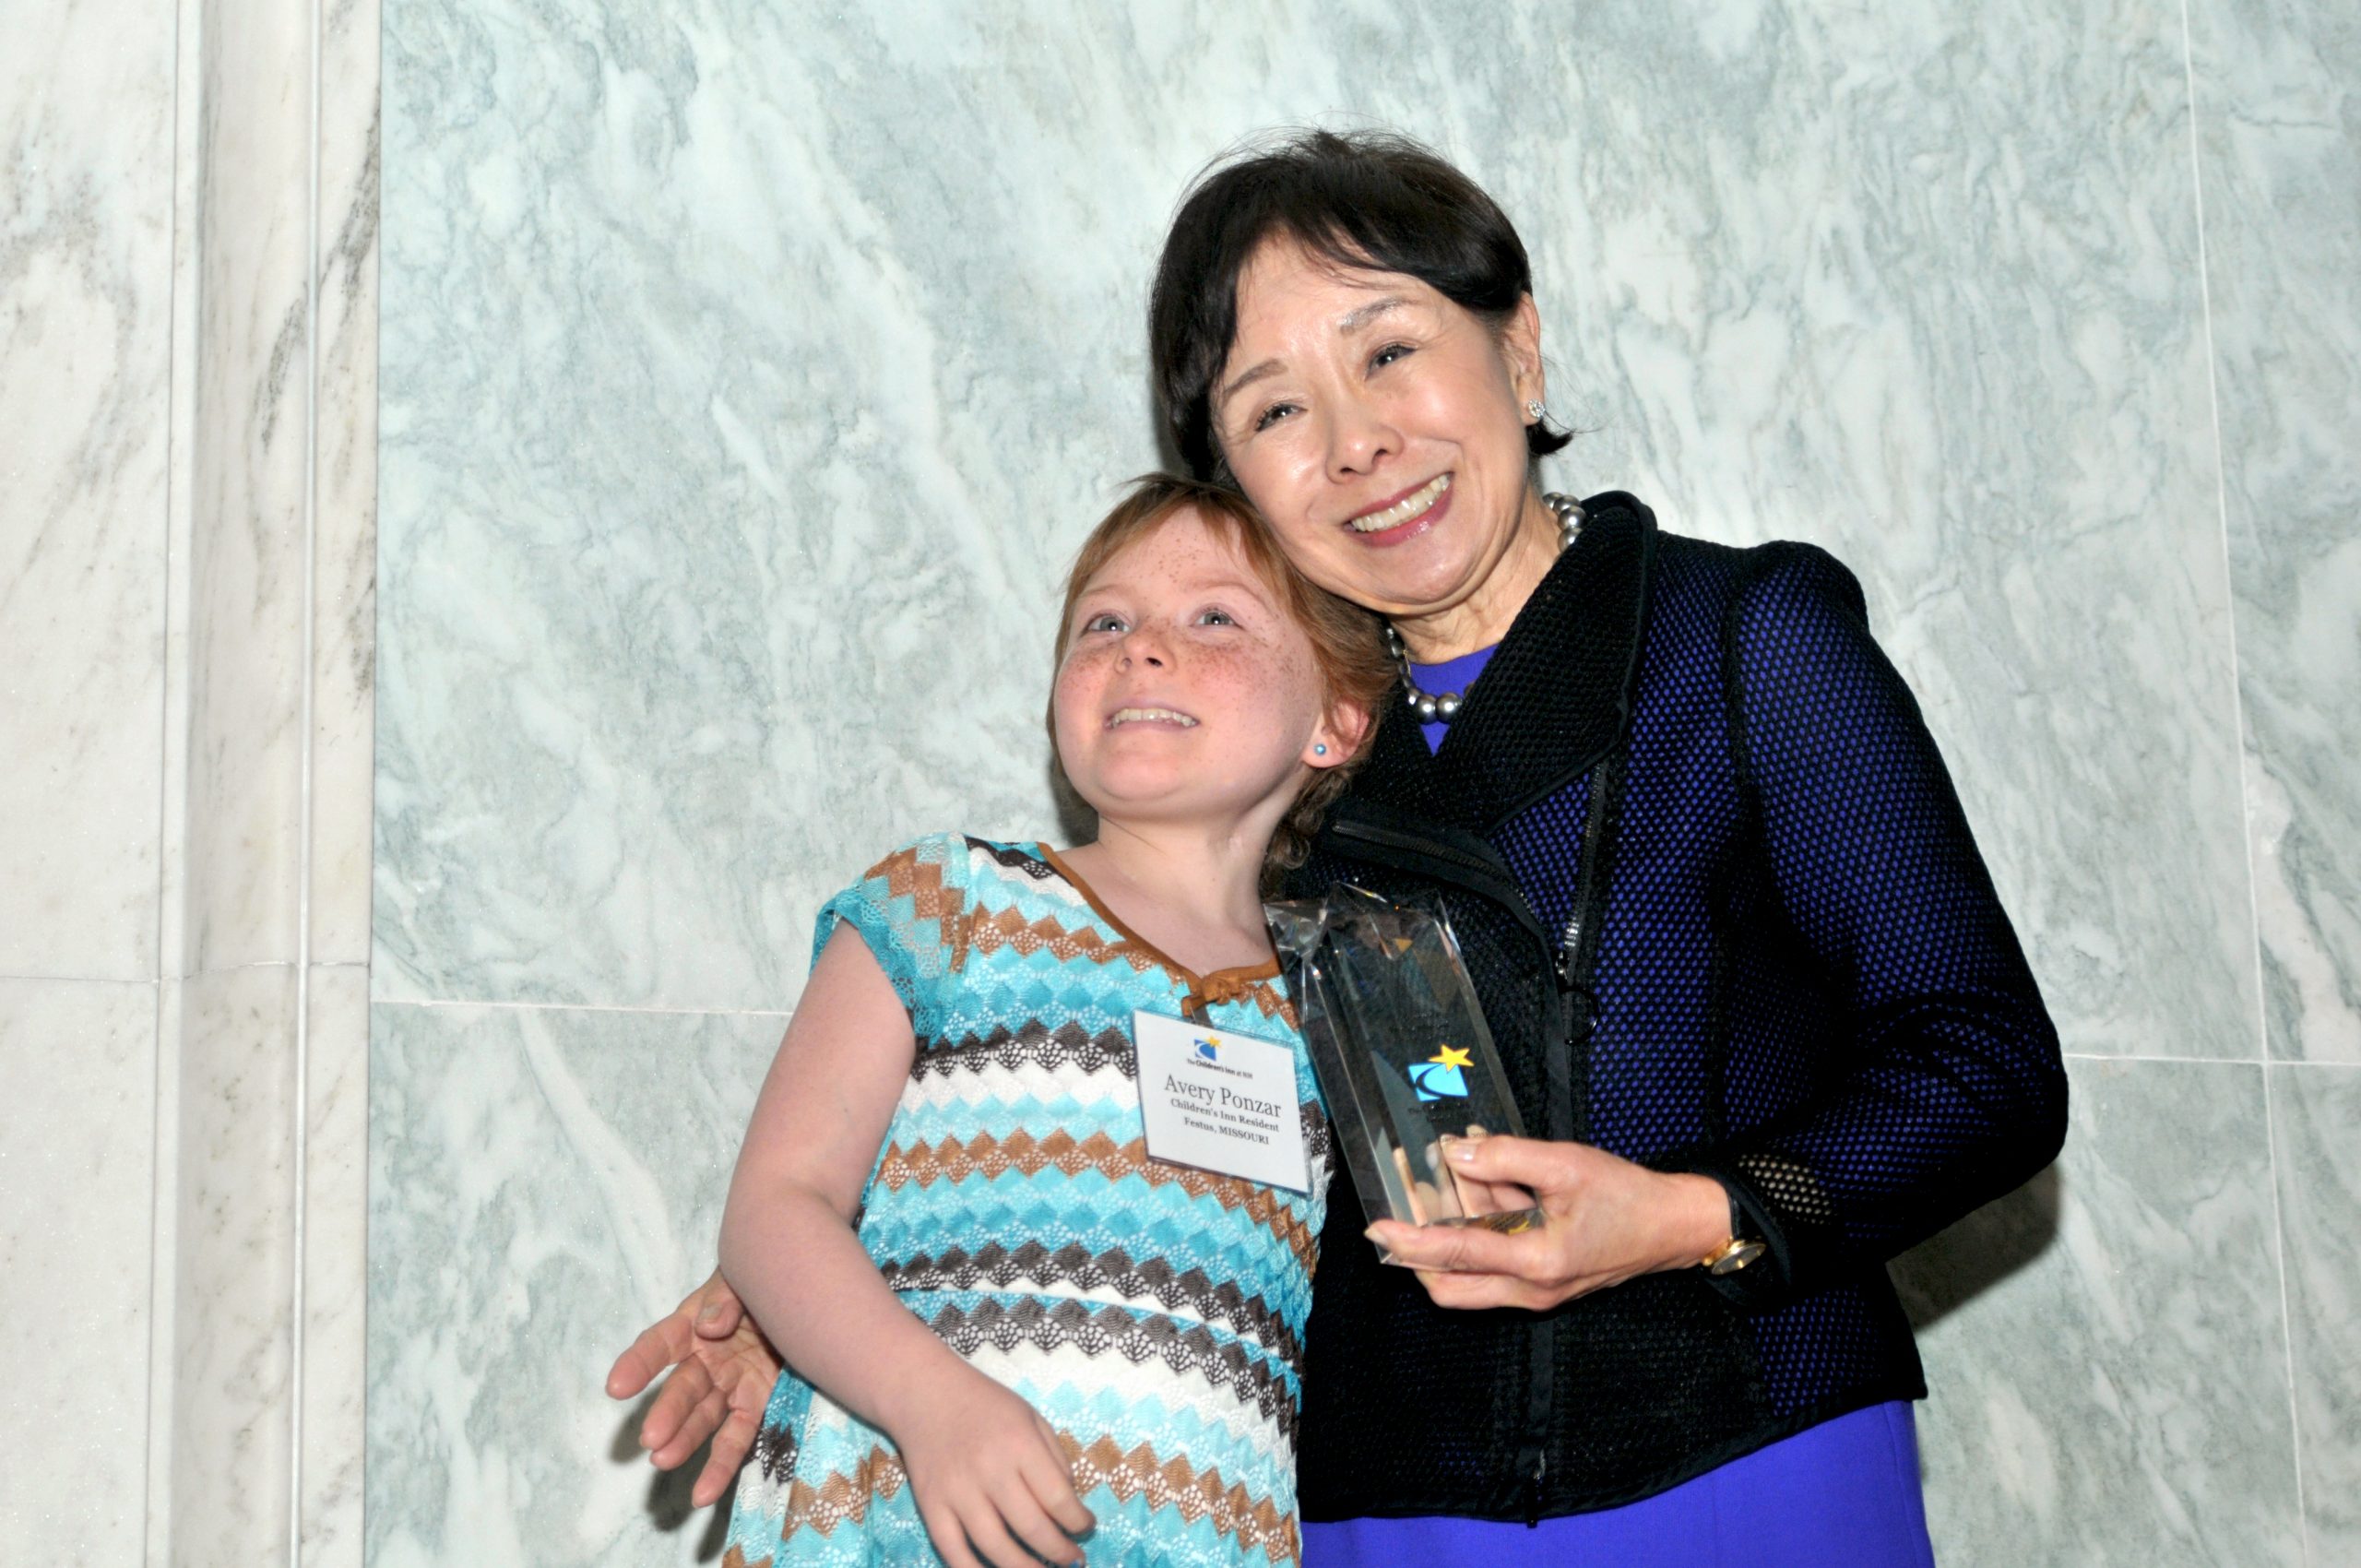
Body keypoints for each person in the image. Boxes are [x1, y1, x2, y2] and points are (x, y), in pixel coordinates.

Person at [611, 129, 2067, 1565]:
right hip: (1368, 1503)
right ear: (1234, 480)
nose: (1357, 443)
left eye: (1388, 353)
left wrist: (1684, 1217)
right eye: (1274, 410)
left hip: (1741, 1446)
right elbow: (1101, 1103)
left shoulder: (1738, 639)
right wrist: (824, 1311)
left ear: (1522, 348)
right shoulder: (1267, 757)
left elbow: (1985, 1068)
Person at [707, 474, 1391, 1568]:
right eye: (1103, 622)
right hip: (898, 1523)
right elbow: (776, 1204)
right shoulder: (951, 902)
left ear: (1336, 721)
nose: (1142, 647)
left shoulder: (1349, 1006)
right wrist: (927, 1401)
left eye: (1213, 616)